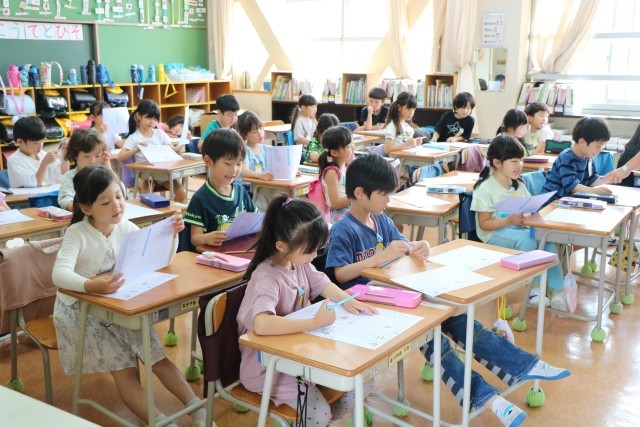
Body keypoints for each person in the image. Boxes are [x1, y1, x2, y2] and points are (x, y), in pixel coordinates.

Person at [326, 154, 571, 427]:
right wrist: (377, 259)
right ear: (360, 193)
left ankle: (523, 365)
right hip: (366, 306)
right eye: (383, 194)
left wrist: (421, 247)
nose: (388, 200)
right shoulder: (344, 228)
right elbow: (339, 274)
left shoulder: (380, 219)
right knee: (433, 337)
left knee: (458, 319)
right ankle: (488, 398)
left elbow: (404, 245)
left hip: (397, 295)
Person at [51, 166, 206, 427]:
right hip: (81, 310)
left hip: (120, 305)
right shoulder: (76, 233)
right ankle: (162, 423)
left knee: (156, 357)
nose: (116, 205)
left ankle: (198, 410)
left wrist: (172, 237)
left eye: (119, 196)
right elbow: (59, 274)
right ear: (86, 208)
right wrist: (90, 286)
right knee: (125, 371)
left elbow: (158, 260)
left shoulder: (125, 226)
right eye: (105, 202)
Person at [237, 195, 376, 426]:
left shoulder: (297, 263)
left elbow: (322, 283)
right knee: (319, 414)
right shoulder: (266, 277)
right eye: (310, 251)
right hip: (266, 367)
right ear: (282, 246)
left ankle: (316, 421)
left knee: (362, 381)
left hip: (298, 356)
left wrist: (347, 300)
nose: (314, 256)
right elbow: (261, 324)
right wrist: (315, 323)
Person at [472, 136, 565, 309]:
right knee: (528, 240)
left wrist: (526, 217)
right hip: (494, 234)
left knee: (546, 240)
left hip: (518, 229)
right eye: (514, 161)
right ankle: (535, 290)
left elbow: (529, 208)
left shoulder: (518, 184)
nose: (519, 165)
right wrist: (508, 220)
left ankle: (557, 290)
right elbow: (484, 224)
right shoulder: (485, 188)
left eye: (521, 160)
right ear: (497, 163)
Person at [184, 128, 257, 248]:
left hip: (238, 250)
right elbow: (195, 238)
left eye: (238, 164)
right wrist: (206, 238)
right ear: (208, 161)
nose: (234, 170)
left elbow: (255, 222)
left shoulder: (241, 192)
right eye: (228, 164)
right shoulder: (200, 198)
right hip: (213, 255)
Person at [117, 100, 187, 203]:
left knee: (182, 192)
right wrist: (136, 150)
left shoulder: (160, 134)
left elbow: (175, 151)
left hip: (163, 174)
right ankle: (152, 213)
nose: (152, 122)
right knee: (147, 195)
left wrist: (185, 140)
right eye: (148, 118)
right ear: (138, 116)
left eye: (155, 119)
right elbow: (120, 157)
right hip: (145, 176)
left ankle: (174, 212)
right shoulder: (134, 138)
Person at [541, 117, 612, 205]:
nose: (600, 150)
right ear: (582, 142)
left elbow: (591, 180)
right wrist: (594, 191)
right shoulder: (566, 157)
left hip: (567, 202)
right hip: (550, 204)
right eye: (598, 146)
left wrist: (608, 178)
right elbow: (572, 186)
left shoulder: (588, 158)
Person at [58, 128, 113, 211]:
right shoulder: (70, 176)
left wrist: (108, 166)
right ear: (75, 155)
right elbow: (65, 200)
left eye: (97, 156)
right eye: (87, 156)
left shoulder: (104, 174)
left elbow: (120, 192)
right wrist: (84, 210)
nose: (93, 161)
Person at [8, 116, 69, 188]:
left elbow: (63, 172)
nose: (41, 146)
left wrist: (65, 154)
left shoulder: (41, 153)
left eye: (42, 141)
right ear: (20, 142)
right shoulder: (14, 160)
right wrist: (44, 163)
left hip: (47, 193)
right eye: (36, 143)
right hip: (29, 195)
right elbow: (36, 184)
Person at [318, 126, 355, 223]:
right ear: (334, 152)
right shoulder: (332, 172)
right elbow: (335, 203)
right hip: (339, 213)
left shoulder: (344, 167)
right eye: (349, 146)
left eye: (352, 144)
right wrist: (357, 197)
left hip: (350, 208)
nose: (353, 148)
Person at [237, 111, 271, 211]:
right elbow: (244, 172)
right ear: (245, 134)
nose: (260, 133)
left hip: (262, 188)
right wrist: (259, 175)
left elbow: (278, 165)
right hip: (248, 190)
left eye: (260, 128)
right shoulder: (244, 150)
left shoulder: (265, 148)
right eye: (254, 131)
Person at [382, 91, 421, 178]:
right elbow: (387, 150)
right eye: (408, 109)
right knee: (419, 176)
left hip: (408, 161)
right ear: (399, 107)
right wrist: (407, 145)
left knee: (424, 171)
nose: (411, 112)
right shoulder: (392, 126)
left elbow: (407, 145)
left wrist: (415, 143)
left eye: (414, 109)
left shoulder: (408, 127)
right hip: (397, 164)